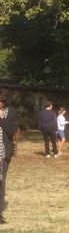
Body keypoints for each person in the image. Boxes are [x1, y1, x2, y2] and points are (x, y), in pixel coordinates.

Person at [0, 90, 18, 224]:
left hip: (3, 153)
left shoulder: (10, 113)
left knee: (1, 182)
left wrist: (2, 119)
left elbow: (12, 132)